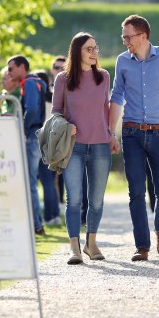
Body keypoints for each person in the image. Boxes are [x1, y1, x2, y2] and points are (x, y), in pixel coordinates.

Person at [109, 14, 159, 262]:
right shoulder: (122, 61)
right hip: (131, 133)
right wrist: (111, 132)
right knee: (135, 192)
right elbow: (117, 96)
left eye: (127, 37)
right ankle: (141, 246)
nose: (125, 42)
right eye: (123, 37)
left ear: (142, 36)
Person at [52, 32, 113, 264]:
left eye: (96, 48)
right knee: (74, 199)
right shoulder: (63, 79)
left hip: (100, 145)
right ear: (76, 51)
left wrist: (111, 135)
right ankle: (74, 248)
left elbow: (105, 110)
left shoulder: (104, 77)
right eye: (89, 49)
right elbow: (55, 112)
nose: (94, 53)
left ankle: (92, 243)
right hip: (73, 147)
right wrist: (67, 125)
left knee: (96, 200)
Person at [7, 55, 47, 235]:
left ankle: (36, 225)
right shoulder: (36, 82)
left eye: (11, 68)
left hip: (31, 137)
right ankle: (36, 223)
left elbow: (31, 110)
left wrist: (21, 128)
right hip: (37, 136)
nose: (9, 73)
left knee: (30, 182)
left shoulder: (30, 83)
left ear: (22, 67)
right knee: (31, 182)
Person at [33, 70, 61, 227]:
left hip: (41, 141)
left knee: (43, 181)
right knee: (50, 181)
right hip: (54, 142)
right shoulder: (54, 99)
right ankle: (54, 214)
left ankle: (49, 216)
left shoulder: (38, 100)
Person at [50, 56, 68, 206]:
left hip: (66, 134)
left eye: (62, 68)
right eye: (56, 67)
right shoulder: (45, 88)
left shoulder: (68, 86)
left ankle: (62, 202)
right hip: (49, 134)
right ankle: (55, 204)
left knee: (63, 171)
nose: (58, 70)